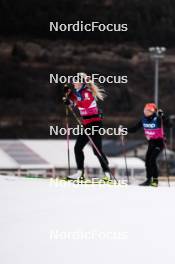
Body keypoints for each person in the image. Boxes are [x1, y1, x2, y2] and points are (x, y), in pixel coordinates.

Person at [62, 73, 111, 181]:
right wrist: (69, 97)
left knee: (96, 150)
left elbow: (84, 104)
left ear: (81, 83)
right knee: (78, 148)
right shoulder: (79, 93)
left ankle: (108, 175)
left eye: (75, 81)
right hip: (86, 125)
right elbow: (75, 101)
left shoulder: (87, 93)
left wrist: (72, 100)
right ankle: (80, 173)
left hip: (95, 124)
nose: (73, 83)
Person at [128, 103, 169, 187]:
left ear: (153, 111)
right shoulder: (143, 119)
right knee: (147, 161)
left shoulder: (157, 118)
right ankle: (148, 180)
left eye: (148, 111)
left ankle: (155, 180)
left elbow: (169, 125)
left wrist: (163, 117)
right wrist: (124, 130)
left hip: (159, 142)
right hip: (151, 143)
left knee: (152, 160)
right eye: (145, 110)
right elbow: (135, 129)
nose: (146, 112)